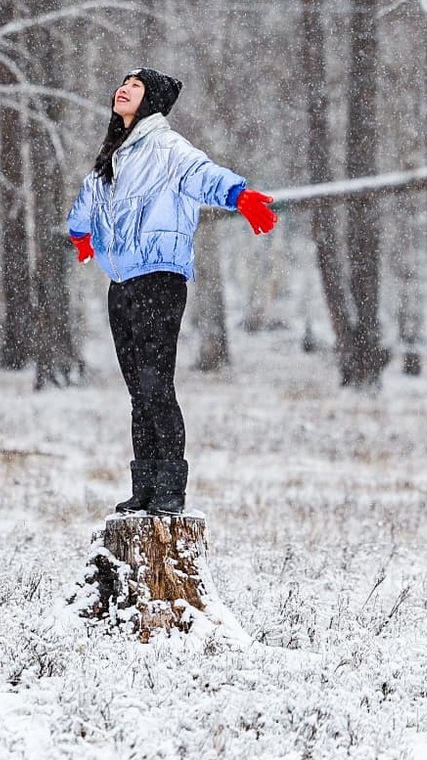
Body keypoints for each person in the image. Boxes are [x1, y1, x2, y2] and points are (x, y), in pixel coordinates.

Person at [67, 68, 276, 515]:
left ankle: (170, 487)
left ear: (152, 100)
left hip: (159, 280)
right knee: (136, 392)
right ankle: (143, 484)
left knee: (156, 385)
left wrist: (238, 195)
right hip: (120, 284)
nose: (123, 88)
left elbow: (201, 174)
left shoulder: (165, 146)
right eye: (123, 82)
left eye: (136, 85)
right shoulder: (113, 154)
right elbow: (88, 198)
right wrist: (81, 234)